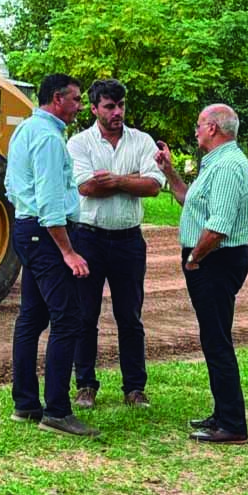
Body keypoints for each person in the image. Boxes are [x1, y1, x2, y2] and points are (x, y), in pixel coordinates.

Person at [154, 104, 248, 445]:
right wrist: (169, 172)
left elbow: (219, 226)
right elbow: (191, 202)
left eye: (199, 124)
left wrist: (195, 258)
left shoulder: (227, 166)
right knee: (214, 338)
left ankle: (232, 425)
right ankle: (223, 413)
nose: (195, 130)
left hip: (216, 260)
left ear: (213, 128)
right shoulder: (216, 163)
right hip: (213, 259)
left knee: (217, 341)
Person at [5, 74, 99, 438]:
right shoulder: (48, 139)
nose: (79, 107)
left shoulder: (24, 130)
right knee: (68, 319)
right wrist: (68, 251)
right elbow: (49, 201)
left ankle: (26, 403)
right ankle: (57, 410)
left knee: (31, 316)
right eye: (76, 100)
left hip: (27, 229)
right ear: (57, 99)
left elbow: (11, 186)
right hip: (46, 234)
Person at [67, 79, 165, 410]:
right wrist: (131, 179)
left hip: (128, 240)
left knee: (130, 315)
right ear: (94, 109)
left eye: (121, 105)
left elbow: (153, 186)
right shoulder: (79, 143)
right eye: (109, 106)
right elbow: (86, 187)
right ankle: (85, 385)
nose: (117, 112)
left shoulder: (142, 140)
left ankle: (135, 388)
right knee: (85, 315)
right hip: (88, 238)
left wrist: (117, 180)